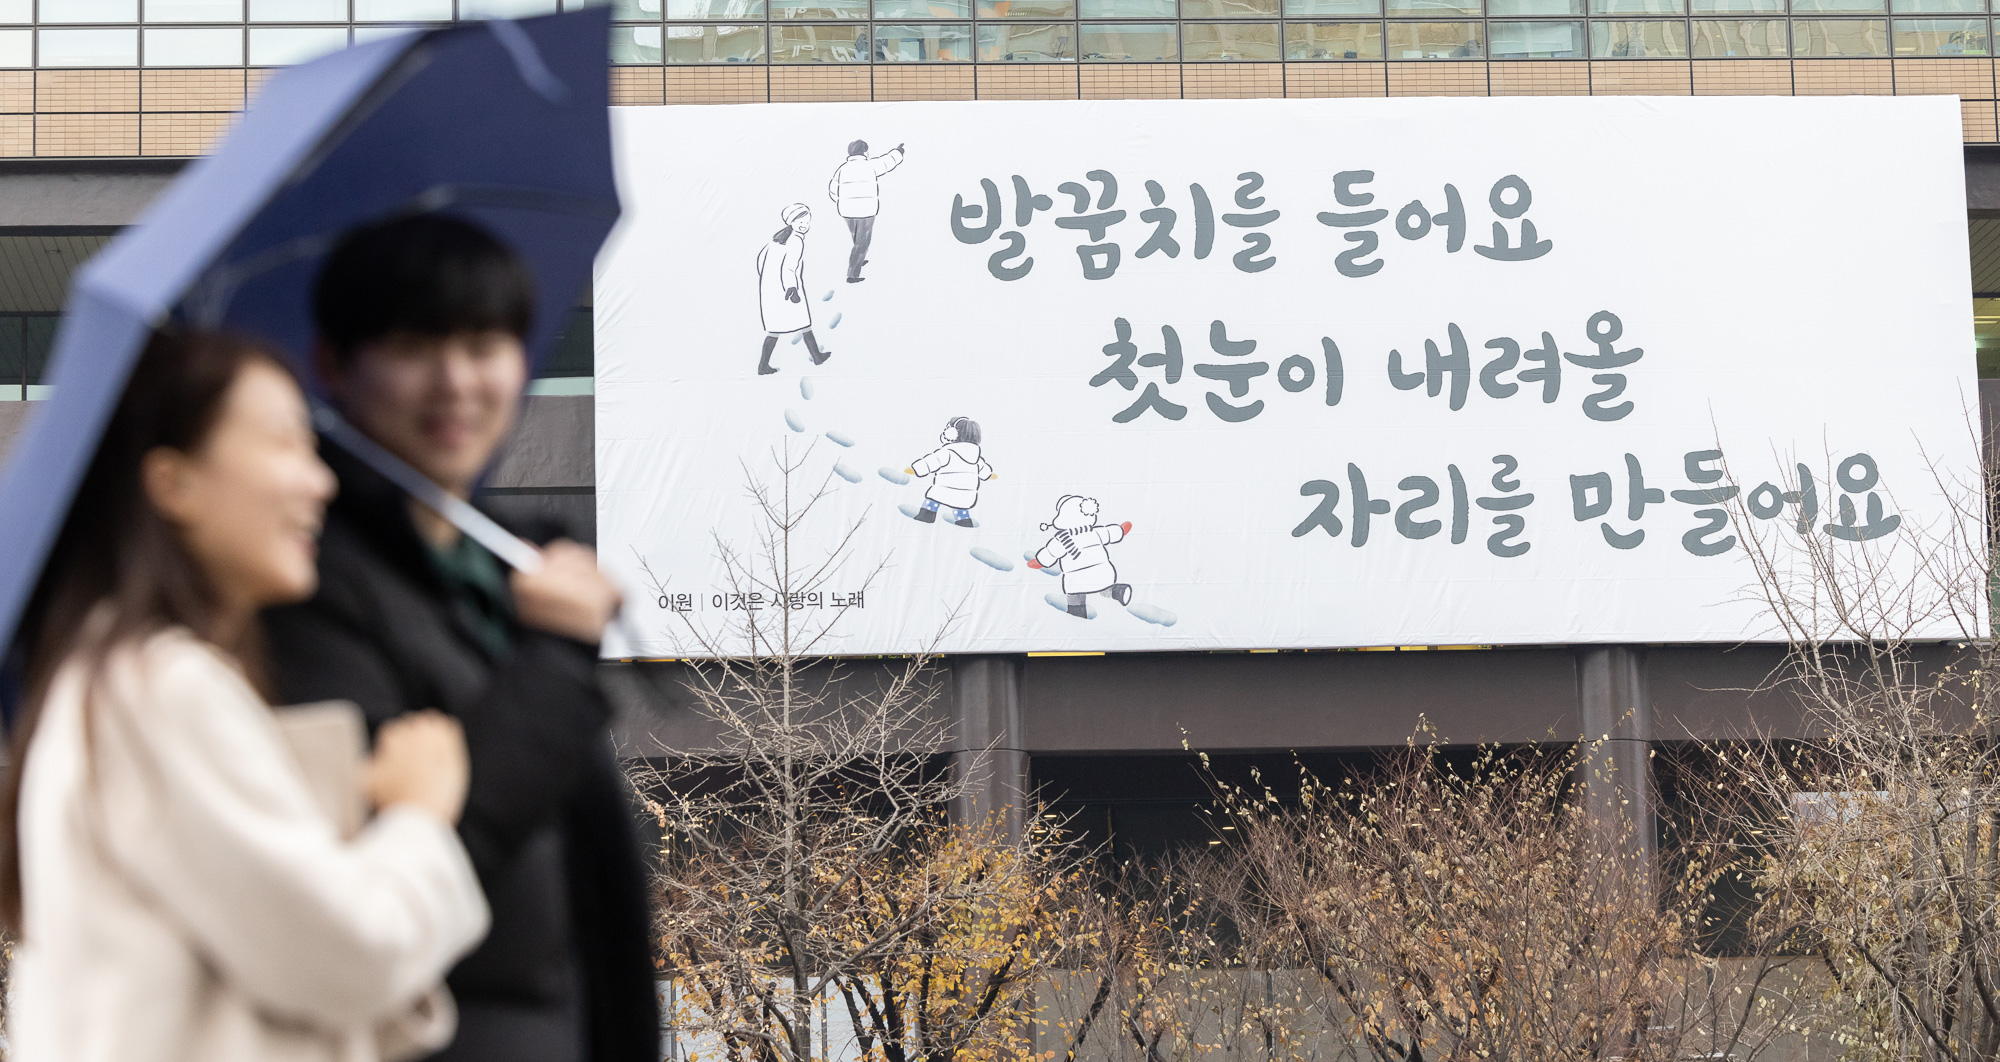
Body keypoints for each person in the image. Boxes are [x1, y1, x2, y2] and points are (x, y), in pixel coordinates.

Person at [2, 330, 489, 1062]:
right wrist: (418, 817)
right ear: (173, 484)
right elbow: (343, 955)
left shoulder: (120, 681)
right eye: (284, 444)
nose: (320, 483)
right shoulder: (159, 692)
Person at [260, 214, 657, 1062]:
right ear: (333, 366)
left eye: (484, 346)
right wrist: (556, 657)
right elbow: (412, 862)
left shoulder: (498, 569)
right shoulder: (306, 588)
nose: (455, 383)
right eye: (413, 347)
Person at [1027, 494, 1134, 618]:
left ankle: (1077, 615)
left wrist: (1039, 561)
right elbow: (1111, 533)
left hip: (1076, 579)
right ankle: (1118, 591)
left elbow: (1050, 553)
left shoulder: (1061, 540)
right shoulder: (1095, 532)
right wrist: (1121, 530)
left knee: (1075, 597)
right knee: (1105, 588)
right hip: (1102, 572)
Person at [756, 203, 831, 375]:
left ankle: (816, 357)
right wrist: (792, 288)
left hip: (771, 289)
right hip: (788, 290)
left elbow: (760, 261)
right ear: (791, 222)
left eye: (807, 221)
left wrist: (768, 281)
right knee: (799, 323)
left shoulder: (776, 239)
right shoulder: (796, 240)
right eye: (800, 222)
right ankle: (815, 357)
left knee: (780, 327)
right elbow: (789, 267)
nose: (805, 225)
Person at [826, 139, 906, 284]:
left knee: (856, 237)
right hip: (866, 210)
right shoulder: (870, 165)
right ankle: (852, 274)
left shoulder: (842, 169)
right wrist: (899, 151)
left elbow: (832, 189)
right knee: (863, 241)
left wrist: (841, 201)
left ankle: (858, 258)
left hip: (847, 210)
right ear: (865, 152)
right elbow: (888, 161)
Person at [904, 416, 994, 527]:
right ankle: (964, 523)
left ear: (952, 433)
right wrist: (990, 475)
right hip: (966, 495)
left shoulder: (947, 453)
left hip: (944, 489)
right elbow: (984, 469)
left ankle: (926, 517)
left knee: (932, 500)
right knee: (961, 507)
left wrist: (916, 469)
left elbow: (931, 462)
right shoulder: (976, 457)